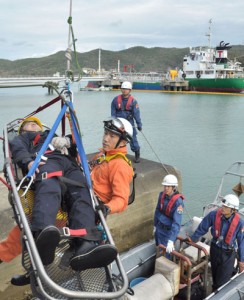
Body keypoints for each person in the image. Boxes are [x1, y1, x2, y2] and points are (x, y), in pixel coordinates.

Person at [1, 116, 134, 285]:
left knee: (29, 227)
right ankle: (37, 266)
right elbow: (77, 156)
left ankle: (37, 264)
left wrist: (105, 208)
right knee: (30, 225)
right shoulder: (104, 155)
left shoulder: (119, 165)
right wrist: (30, 161)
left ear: (122, 142)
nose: (105, 138)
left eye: (111, 136)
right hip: (75, 192)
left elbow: (121, 200)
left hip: (84, 202)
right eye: (106, 133)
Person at [186, 194, 244, 291]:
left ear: (233, 210)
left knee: (222, 283)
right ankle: (214, 290)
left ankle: (219, 293)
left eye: (226, 207)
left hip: (228, 254)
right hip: (215, 249)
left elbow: (242, 242)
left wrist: (241, 261)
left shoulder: (239, 223)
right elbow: (202, 228)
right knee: (215, 276)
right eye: (223, 205)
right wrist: (192, 239)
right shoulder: (213, 215)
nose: (223, 208)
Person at [154, 174, 184, 258]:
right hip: (159, 228)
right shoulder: (161, 195)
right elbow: (157, 211)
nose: (166, 188)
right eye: (165, 186)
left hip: (168, 232)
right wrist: (155, 225)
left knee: (166, 255)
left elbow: (176, 223)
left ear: (173, 187)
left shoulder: (178, 202)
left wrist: (171, 240)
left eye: (168, 186)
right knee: (158, 249)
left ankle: (165, 269)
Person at [111, 81, 142, 163]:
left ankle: (137, 154)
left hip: (129, 123)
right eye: (123, 89)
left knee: (133, 139)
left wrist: (139, 124)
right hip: (119, 123)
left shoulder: (133, 101)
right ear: (121, 89)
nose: (124, 90)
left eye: (126, 89)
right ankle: (118, 154)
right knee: (117, 139)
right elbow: (113, 113)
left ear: (130, 90)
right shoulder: (115, 100)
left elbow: (136, 114)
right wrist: (113, 123)